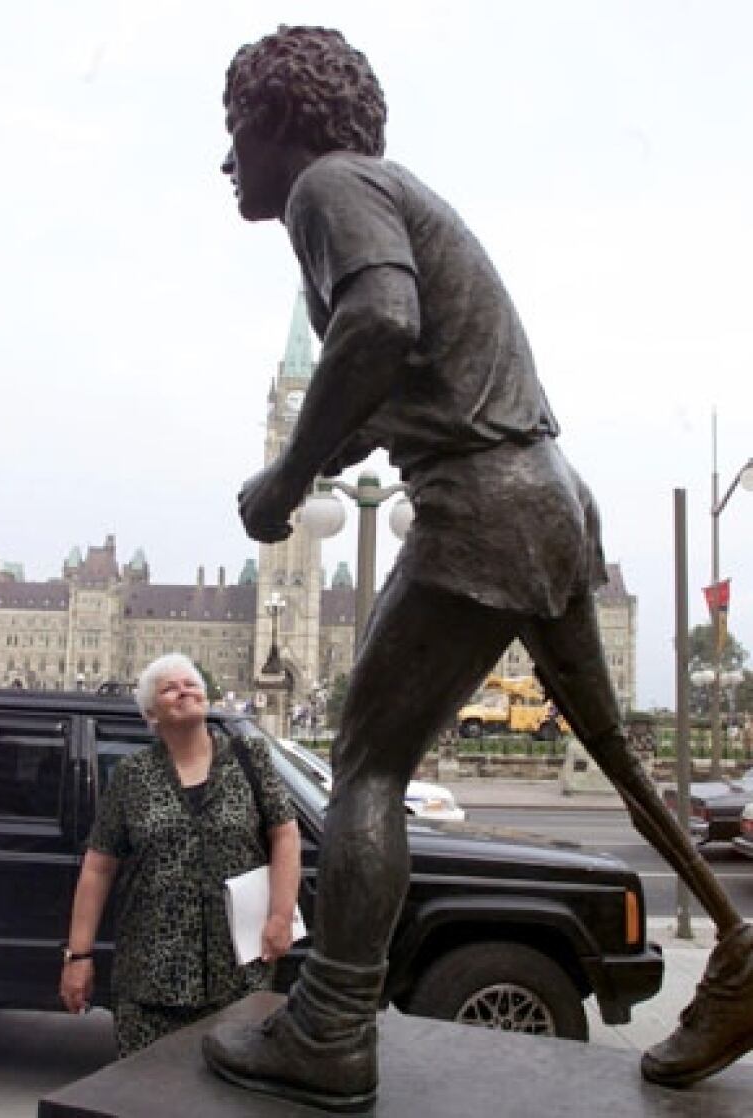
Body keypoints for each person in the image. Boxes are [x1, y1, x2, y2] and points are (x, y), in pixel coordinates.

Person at [203, 25, 753, 1111]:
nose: (228, 164)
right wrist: (344, 442)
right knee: (617, 753)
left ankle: (332, 1025)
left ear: (278, 123)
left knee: (366, 765)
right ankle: (740, 946)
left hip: (481, 505)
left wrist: (287, 478)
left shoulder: (330, 184)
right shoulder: (392, 190)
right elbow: (411, 362)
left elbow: (379, 319)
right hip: (548, 489)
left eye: (234, 133)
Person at [59, 653, 300, 1057]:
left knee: (228, 1098)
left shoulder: (249, 758)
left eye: (191, 683)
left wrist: (280, 915)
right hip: (150, 978)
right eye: (169, 688)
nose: (184, 691)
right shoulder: (132, 776)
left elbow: (286, 835)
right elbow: (98, 868)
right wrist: (78, 955)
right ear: (151, 714)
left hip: (238, 975)